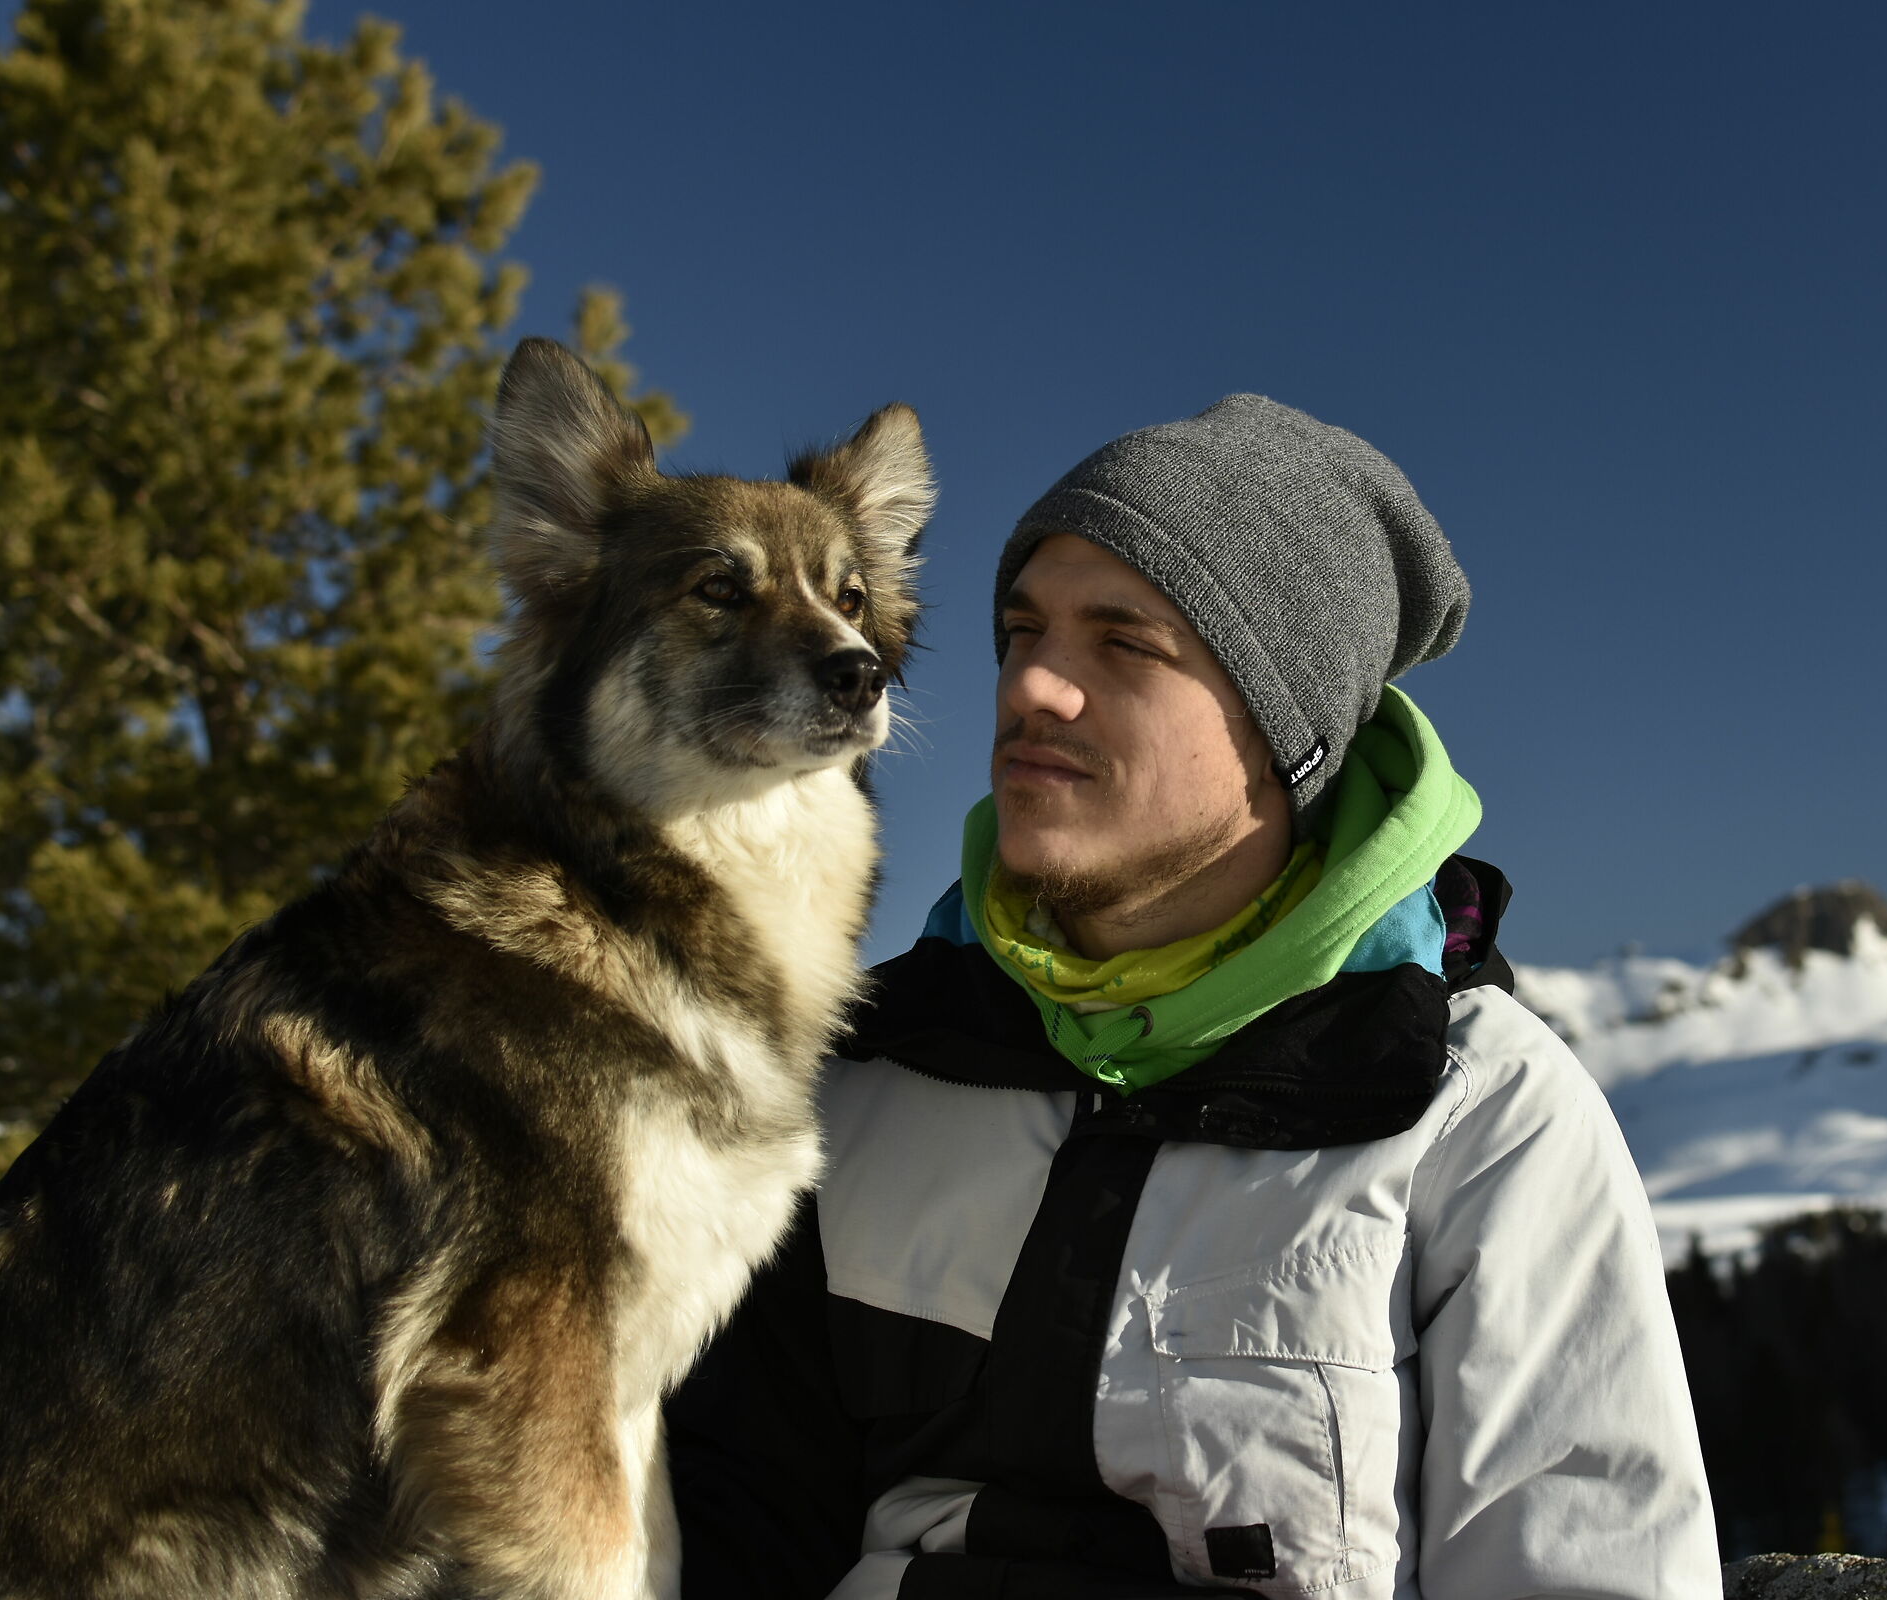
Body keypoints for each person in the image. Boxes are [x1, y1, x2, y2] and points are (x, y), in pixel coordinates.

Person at [667, 396, 1721, 1599]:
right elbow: (725, 1521)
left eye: (1125, 643)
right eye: (1021, 629)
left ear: (1285, 732)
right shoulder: (870, 1067)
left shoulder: (1478, 1113)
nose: (1033, 685)